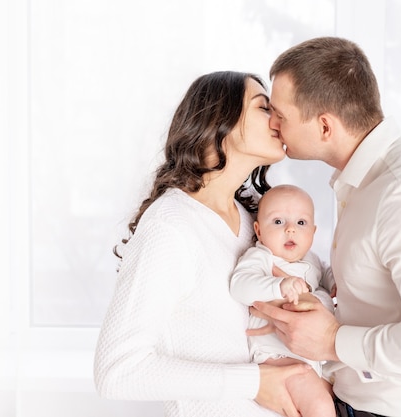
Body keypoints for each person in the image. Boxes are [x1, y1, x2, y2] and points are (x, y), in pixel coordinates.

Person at [252, 37, 401, 417]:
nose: (272, 123)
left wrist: (334, 342)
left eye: (281, 115)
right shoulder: (367, 181)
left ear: (325, 126)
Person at [94, 71, 315, 417]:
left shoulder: (253, 221)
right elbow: (117, 371)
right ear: (219, 119)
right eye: (263, 107)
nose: (278, 118)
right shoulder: (171, 225)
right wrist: (254, 382)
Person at [230, 184, 336, 417]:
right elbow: (240, 285)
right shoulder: (261, 256)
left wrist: (335, 281)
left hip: (311, 356)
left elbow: (326, 276)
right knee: (320, 407)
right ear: (258, 230)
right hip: (278, 358)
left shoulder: (312, 260)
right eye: (278, 222)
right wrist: (278, 286)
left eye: (301, 223)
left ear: (313, 232)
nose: (290, 230)